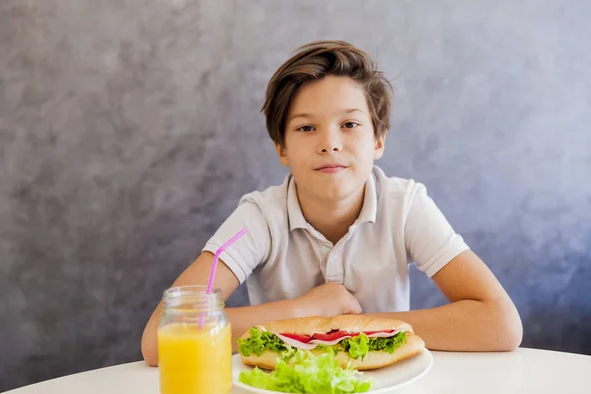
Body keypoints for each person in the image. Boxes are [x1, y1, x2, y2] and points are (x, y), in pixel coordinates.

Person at [141, 40, 523, 366]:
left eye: (350, 124)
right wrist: (303, 311)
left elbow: (501, 323)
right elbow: (161, 338)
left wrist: (346, 327)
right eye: (307, 128)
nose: (330, 143)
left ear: (378, 140)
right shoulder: (257, 218)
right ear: (282, 149)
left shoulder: (405, 206)